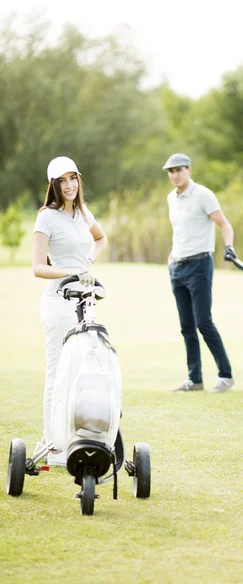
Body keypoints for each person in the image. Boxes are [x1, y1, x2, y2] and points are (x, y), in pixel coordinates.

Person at [32, 156, 107, 465]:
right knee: (57, 372)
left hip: (85, 303)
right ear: (54, 185)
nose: (69, 185)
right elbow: (38, 267)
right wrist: (71, 272)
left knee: (83, 372)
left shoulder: (83, 213)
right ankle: (53, 444)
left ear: (79, 178)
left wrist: (87, 261)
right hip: (58, 303)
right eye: (61, 181)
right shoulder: (46, 218)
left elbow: (100, 238)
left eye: (72, 178)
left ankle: (73, 438)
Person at [164, 153, 236, 393]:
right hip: (178, 267)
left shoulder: (203, 195)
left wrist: (229, 247)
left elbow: (224, 224)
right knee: (186, 326)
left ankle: (225, 375)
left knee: (203, 322)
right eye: (171, 172)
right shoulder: (171, 199)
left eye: (179, 170)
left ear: (189, 170)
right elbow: (180, 231)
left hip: (199, 265)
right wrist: (172, 256)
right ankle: (195, 379)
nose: (175, 175)